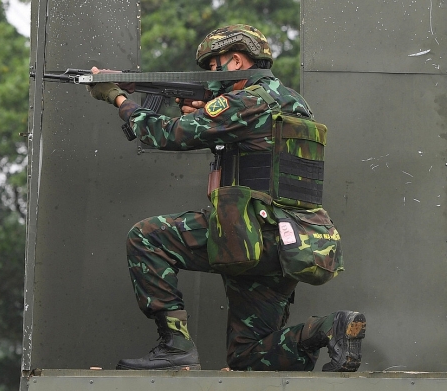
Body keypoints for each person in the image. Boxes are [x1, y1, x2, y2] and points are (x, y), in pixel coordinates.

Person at [87, 24, 366, 372]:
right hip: (291, 243)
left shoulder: (246, 102)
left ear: (236, 60)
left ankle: (174, 346)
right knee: (249, 357)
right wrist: (206, 111)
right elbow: (253, 143)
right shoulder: (292, 102)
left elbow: (165, 133)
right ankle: (327, 329)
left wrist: (116, 96)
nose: (209, 75)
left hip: (250, 232)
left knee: (147, 238)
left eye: (213, 66)